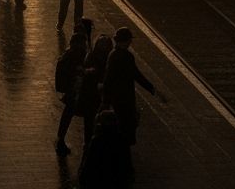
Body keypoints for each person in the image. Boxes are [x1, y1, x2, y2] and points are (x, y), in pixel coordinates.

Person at [103, 27, 166, 176]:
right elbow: (136, 75)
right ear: (125, 41)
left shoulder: (112, 55)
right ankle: (125, 167)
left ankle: (122, 165)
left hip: (117, 99)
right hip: (125, 99)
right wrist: (153, 90)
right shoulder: (126, 57)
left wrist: (106, 100)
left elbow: (108, 79)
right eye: (129, 40)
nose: (131, 42)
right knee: (126, 132)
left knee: (121, 131)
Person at [75, 33, 113, 147]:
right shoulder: (108, 59)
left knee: (89, 121)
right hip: (97, 96)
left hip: (90, 96)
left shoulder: (91, 56)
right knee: (98, 119)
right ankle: (96, 142)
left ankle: (89, 142)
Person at [54, 33, 88, 155]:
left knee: (67, 115)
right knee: (88, 115)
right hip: (76, 91)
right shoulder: (78, 54)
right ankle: (87, 142)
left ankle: (60, 139)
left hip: (69, 92)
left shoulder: (68, 53)